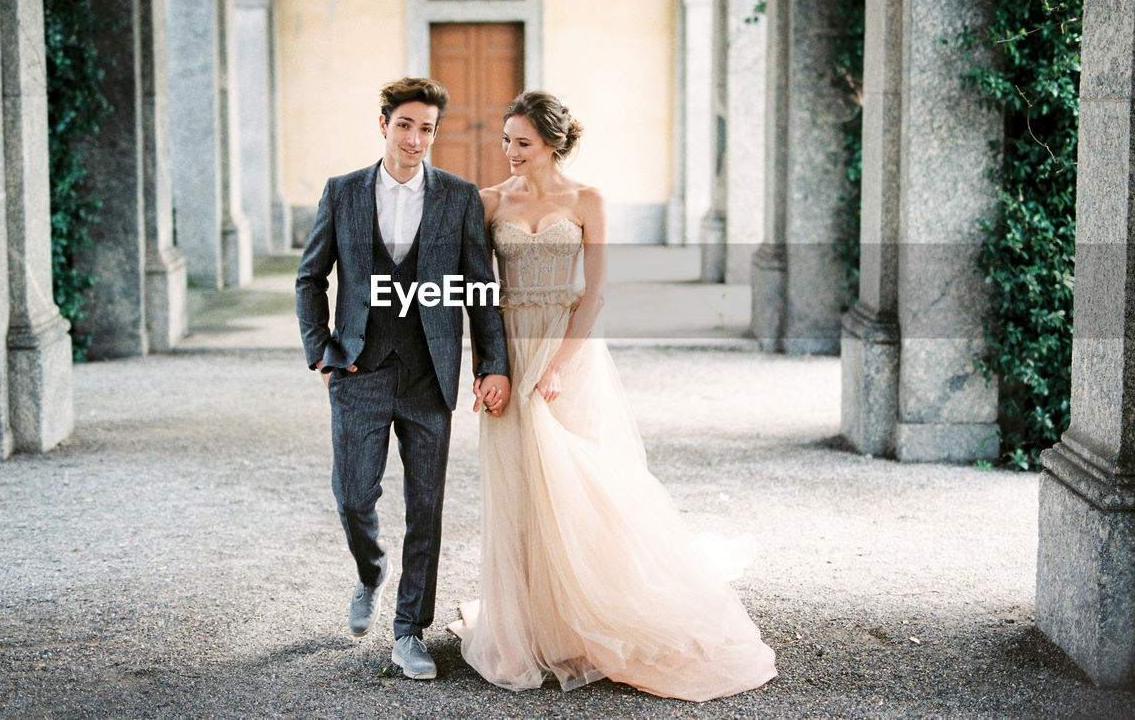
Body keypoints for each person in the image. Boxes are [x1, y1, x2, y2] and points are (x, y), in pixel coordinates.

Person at [448, 90, 778, 701]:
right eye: (506, 141)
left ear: (550, 142)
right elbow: (477, 294)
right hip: (511, 352)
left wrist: (558, 367)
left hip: (568, 350)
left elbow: (594, 293)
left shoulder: (588, 200)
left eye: (522, 142)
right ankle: (533, 625)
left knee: (579, 484)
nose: (510, 152)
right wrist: (492, 367)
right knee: (519, 484)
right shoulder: (487, 201)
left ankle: (588, 615)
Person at [296, 77, 511, 681]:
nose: (416, 139)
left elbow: (480, 289)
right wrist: (320, 351)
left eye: (428, 129)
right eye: (406, 126)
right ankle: (370, 571)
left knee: (427, 507)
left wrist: (491, 363)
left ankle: (408, 630)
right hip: (358, 371)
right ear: (384, 124)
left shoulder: (459, 198)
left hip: (428, 375)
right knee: (353, 496)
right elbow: (310, 277)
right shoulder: (342, 193)